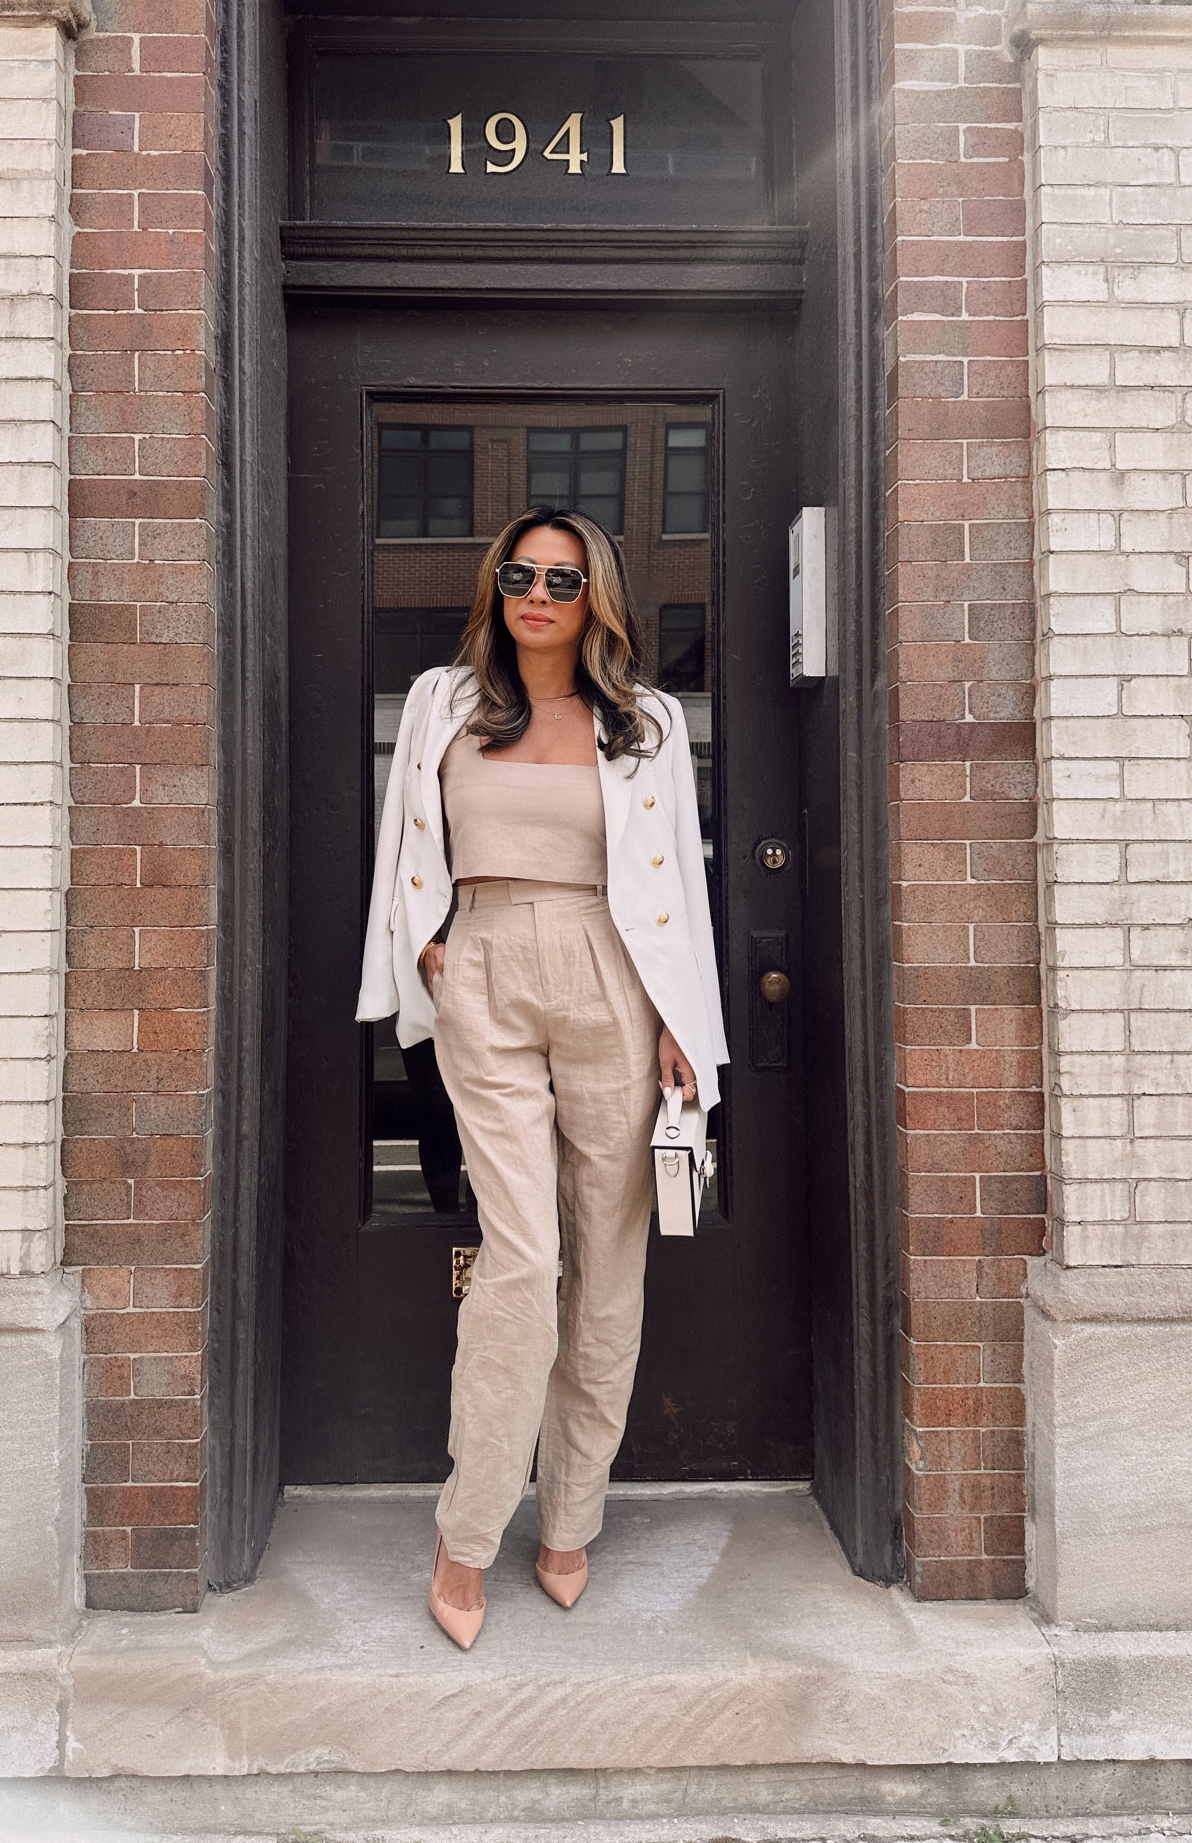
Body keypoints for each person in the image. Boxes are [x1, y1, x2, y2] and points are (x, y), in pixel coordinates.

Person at [356, 506, 728, 1648]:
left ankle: (571, 1514)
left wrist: (683, 1024)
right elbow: (402, 845)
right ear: (495, 586)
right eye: (518, 573)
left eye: (562, 579)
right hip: (488, 966)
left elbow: (678, 887)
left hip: (613, 972)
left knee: (608, 1267)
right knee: (523, 1256)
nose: (537, 593)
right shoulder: (442, 702)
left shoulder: (646, 721)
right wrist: (427, 946)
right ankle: (468, 1532)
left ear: (593, 596)